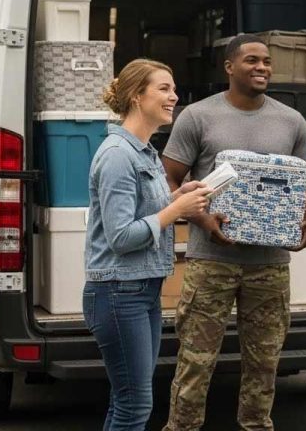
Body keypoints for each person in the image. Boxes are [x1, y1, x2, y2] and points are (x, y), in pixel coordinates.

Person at [160, 34, 306, 431]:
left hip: (270, 265)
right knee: (196, 362)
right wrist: (201, 220)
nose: (262, 67)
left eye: (266, 61)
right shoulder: (197, 117)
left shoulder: (291, 120)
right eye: (251, 60)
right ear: (229, 66)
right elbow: (167, 183)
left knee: (264, 365)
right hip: (211, 261)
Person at [83, 59, 211, 431]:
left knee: (127, 403)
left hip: (140, 292)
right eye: (164, 88)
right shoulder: (118, 156)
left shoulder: (146, 151)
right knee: (135, 406)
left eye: (173, 89)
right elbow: (121, 237)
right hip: (119, 293)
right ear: (137, 96)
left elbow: (147, 208)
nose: (174, 96)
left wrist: (181, 193)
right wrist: (176, 209)